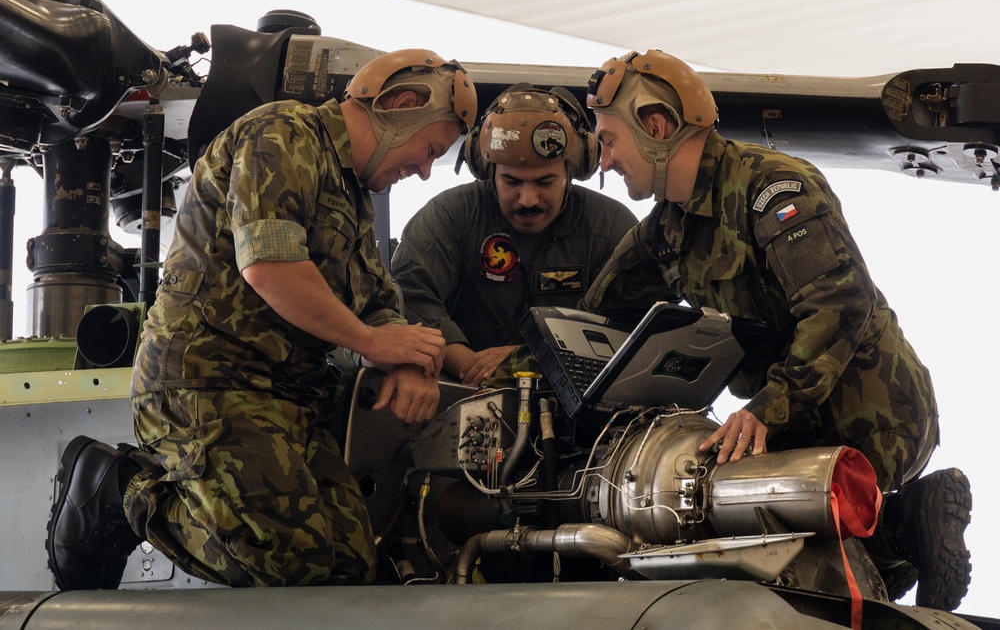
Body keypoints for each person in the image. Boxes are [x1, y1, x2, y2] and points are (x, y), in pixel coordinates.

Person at [45, 49, 477, 590]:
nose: (423, 169)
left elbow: (378, 300)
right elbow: (270, 268)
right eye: (430, 149)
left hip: (294, 397)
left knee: (349, 569)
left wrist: (409, 363)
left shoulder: (353, 194)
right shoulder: (283, 133)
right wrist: (373, 342)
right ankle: (121, 490)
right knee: (288, 566)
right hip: (208, 380)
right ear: (401, 105)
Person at [581, 49, 972, 611]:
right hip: (788, 431)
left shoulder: (773, 187)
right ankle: (899, 536)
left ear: (657, 128)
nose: (604, 161)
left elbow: (840, 303)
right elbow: (596, 320)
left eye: (610, 141)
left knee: (767, 557)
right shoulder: (668, 228)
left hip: (869, 417)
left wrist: (766, 408)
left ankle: (902, 526)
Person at [390, 84, 637, 386]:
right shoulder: (449, 217)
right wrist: (467, 364)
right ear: (487, 170)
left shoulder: (611, 227)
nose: (528, 199)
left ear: (572, 171)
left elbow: (633, 330)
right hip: (463, 395)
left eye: (545, 181)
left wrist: (526, 360)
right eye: (511, 181)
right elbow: (408, 295)